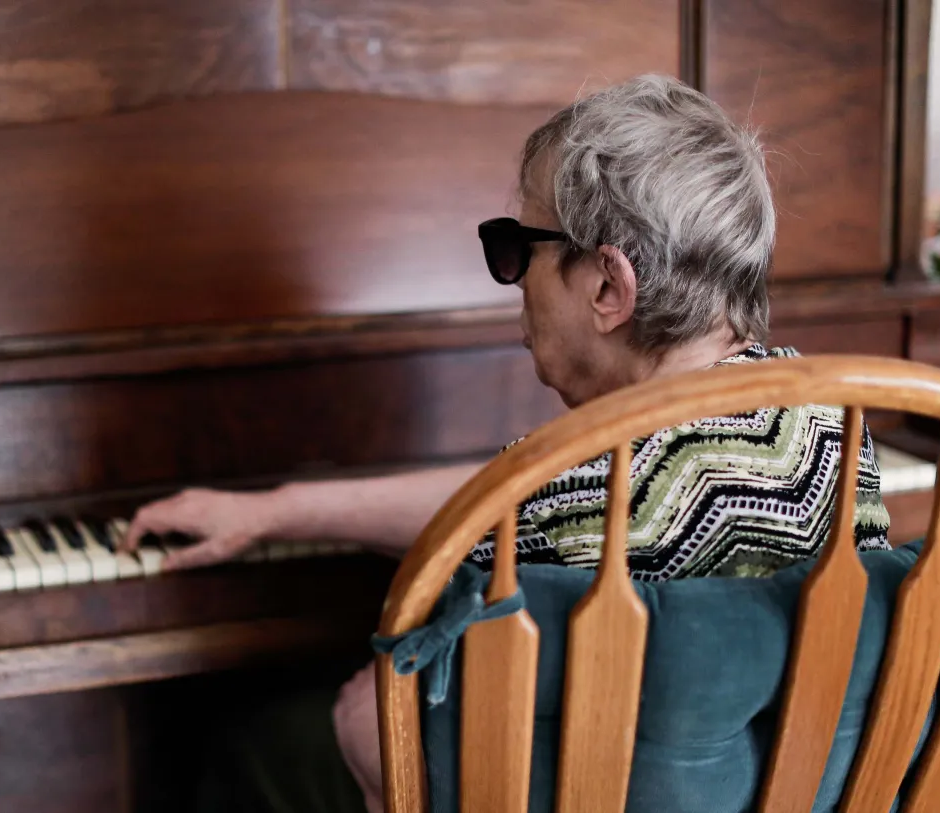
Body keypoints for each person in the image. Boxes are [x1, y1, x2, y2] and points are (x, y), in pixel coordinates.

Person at [125, 74, 890, 812]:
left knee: (248, 743)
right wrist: (284, 510)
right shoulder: (827, 421)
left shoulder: (577, 500)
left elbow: (392, 717)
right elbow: (515, 495)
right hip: (793, 789)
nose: (512, 280)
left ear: (607, 288)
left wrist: (368, 713)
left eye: (516, 247)